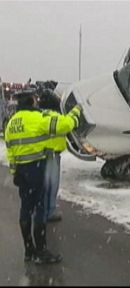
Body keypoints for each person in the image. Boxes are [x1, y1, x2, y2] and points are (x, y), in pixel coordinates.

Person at [4, 90, 81, 264]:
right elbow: (64, 126)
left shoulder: (11, 123)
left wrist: (14, 172)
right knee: (40, 210)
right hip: (36, 169)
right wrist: (75, 114)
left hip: (22, 172)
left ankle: (28, 250)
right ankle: (41, 251)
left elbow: (10, 151)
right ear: (31, 102)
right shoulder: (37, 119)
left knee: (25, 209)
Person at [38, 89, 65, 222]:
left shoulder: (37, 117)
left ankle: (41, 210)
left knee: (42, 184)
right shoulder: (57, 117)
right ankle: (50, 211)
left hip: (40, 154)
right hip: (53, 155)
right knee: (52, 184)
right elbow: (69, 125)